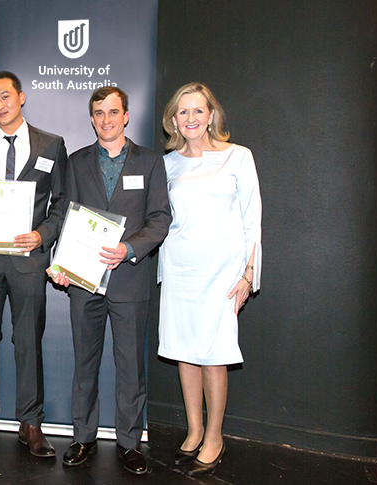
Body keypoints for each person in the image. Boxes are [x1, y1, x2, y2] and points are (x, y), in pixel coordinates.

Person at [50, 86, 171, 475]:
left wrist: (130, 249)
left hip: (130, 279)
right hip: (84, 279)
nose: (106, 120)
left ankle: (130, 443)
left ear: (126, 116)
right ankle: (83, 438)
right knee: (85, 363)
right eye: (99, 113)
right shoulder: (76, 161)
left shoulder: (151, 162)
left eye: (113, 112)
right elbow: (66, 216)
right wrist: (61, 264)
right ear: (91, 118)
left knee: (131, 366)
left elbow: (160, 219)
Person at [0, 71, 67, 457]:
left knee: (27, 342)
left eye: (5, 96)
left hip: (28, 261)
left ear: (21, 97)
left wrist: (42, 235)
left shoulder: (52, 145)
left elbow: (62, 203)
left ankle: (31, 423)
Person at [157, 82, 261, 477]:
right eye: (183, 112)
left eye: (198, 111)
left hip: (223, 273)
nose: (191, 118)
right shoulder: (167, 164)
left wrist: (249, 274)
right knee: (185, 351)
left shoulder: (239, 157)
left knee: (214, 355)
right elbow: (157, 218)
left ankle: (215, 435)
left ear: (212, 115)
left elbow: (253, 220)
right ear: (173, 120)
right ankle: (195, 428)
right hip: (180, 269)